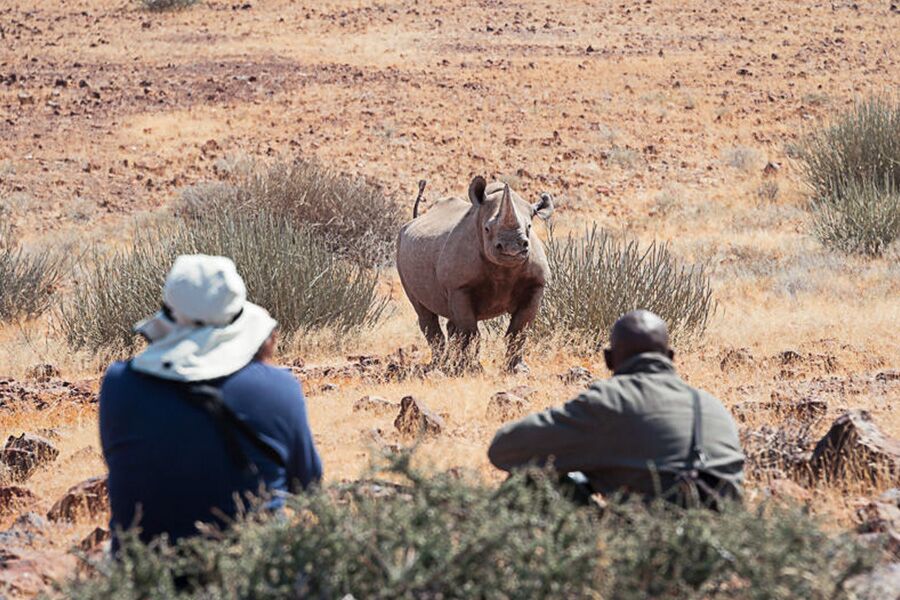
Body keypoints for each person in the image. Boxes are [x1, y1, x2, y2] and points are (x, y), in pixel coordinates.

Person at [100, 254, 322, 548]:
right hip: (252, 575)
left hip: (144, 581)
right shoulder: (280, 389)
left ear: (167, 314)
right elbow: (307, 486)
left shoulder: (120, 386)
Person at [488, 310, 744, 507]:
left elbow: (504, 449)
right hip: (722, 545)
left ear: (609, 360)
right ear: (671, 357)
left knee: (531, 483)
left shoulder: (610, 402)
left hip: (653, 547)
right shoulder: (711, 406)